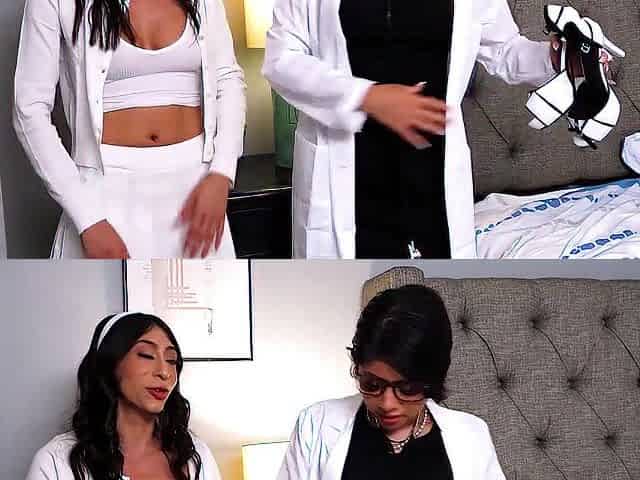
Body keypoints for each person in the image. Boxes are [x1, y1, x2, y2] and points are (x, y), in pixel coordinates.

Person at [262, 0, 589, 259]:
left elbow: (504, 49)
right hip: (349, 176)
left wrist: (556, 57)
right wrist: (367, 97)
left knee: (430, 294)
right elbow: (281, 59)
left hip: (433, 172)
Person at [13, 0, 246, 259]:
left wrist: (222, 173)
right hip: (103, 196)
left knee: (203, 288)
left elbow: (227, 78)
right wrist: (87, 219)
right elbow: (29, 108)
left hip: (195, 192)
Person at [278, 285, 506, 479]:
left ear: (432, 379)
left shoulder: (472, 435)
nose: (387, 404)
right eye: (372, 384)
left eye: (407, 389)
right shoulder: (315, 424)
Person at [26, 312, 221, 479]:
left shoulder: (195, 455)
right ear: (110, 364)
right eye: (146, 355)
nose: (164, 372)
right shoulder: (56, 462)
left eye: (172, 360)